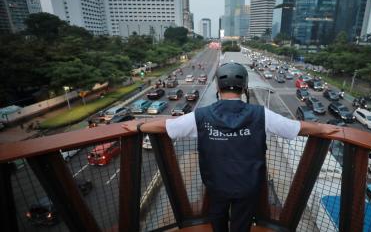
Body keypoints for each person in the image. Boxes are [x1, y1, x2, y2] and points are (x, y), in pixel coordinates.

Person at [122, 63, 339, 232]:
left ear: (217, 86)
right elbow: (298, 127)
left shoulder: (202, 116)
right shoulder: (261, 115)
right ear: (245, 87)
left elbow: (166, 126)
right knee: (241, 225)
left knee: (218, 222)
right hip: (249, 186)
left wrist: (140, 125)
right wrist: (323, 129)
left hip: (216, 185)